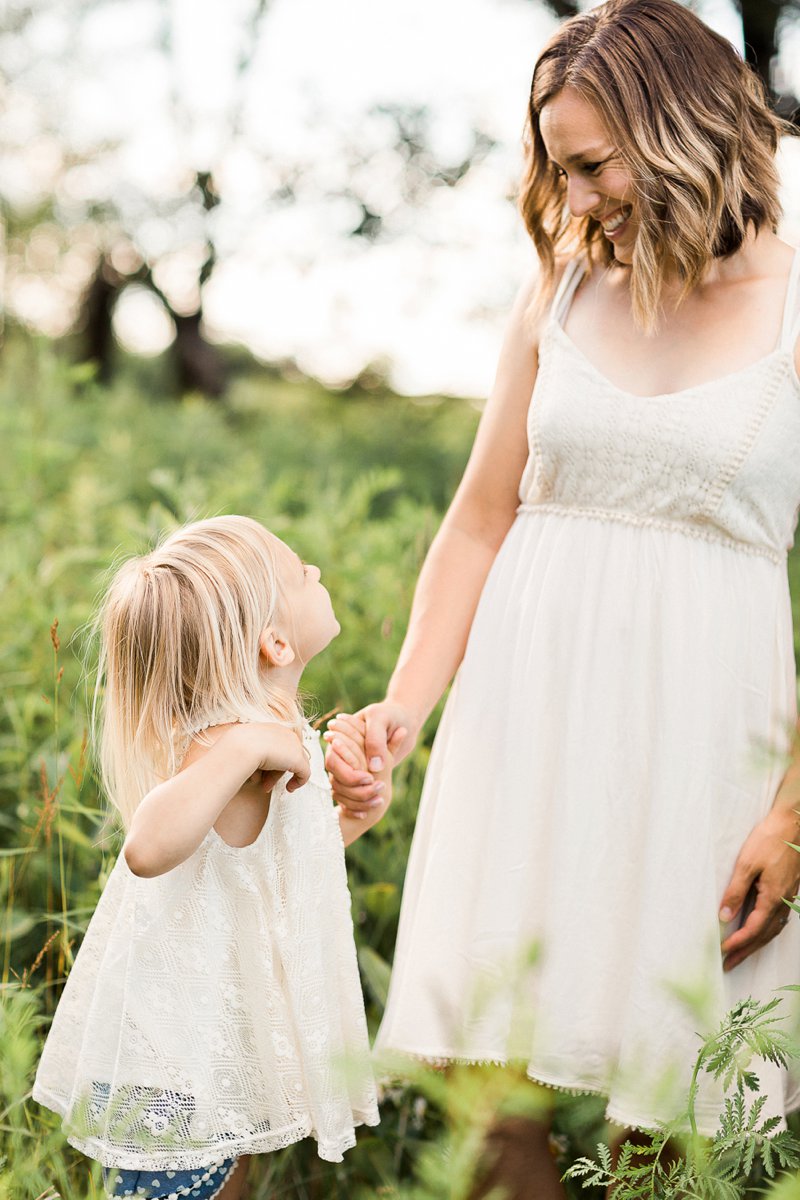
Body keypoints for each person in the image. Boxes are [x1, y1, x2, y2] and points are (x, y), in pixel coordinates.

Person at [326, 0, 800, 1189]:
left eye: (591, 165)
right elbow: (481, 518)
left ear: (685, 127)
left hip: (712, 735)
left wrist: (791, 816)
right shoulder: (563, 290)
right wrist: (402, 714)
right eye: (557, 167)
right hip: (523, 724)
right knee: (497, 1102)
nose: (574, 198)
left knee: (670, 1115)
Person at [33, 515, 400, 1200]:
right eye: (300, 572)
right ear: (276, 641)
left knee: (219, 1185)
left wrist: (353, 817)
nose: (316, 572)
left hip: (212, 1057)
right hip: (164, 1066)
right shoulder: (227, 740)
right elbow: (145, 848)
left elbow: (267, 872)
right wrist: (242, 750)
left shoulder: (274, 737)